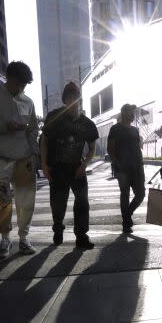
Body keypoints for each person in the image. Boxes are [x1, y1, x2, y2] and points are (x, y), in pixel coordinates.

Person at [0, 60, 40, 257]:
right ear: (8, 78)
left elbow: (33, 130)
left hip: (24, 156)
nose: (21, 88)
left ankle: (24, 238)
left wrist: (34, 153)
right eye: (18, 83)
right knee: (2, 198)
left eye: (24, 85)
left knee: (26, 198)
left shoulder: (28, 102)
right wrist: (5, 125)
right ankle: (5, 237)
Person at [40, 81, 98, 249]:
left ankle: (81, 236)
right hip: (57, 168)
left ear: (80, 100)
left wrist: (84, 164)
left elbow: (92, 147)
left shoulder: (87, 123)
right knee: (58, 202)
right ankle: (58, 227)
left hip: (76, 168)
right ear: (64, 99)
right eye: (69, 98)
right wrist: (44, 164)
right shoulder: (54, 116)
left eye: (75, 98)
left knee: (82, 201)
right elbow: (44, 140)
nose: (72, 101)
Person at [107, 103, 146, 233]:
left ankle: (127, 215)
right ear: (124, 113)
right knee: (125, 194)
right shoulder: (115, 129)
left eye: (133, 112)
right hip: (122, 169)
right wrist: (117, 164)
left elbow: (138, 149)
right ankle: (126, 223)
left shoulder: (135, 130)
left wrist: (141, 167)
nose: (133, 115)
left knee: (140, 194)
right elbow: (110, 149)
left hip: (137, 168)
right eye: (130, 112)